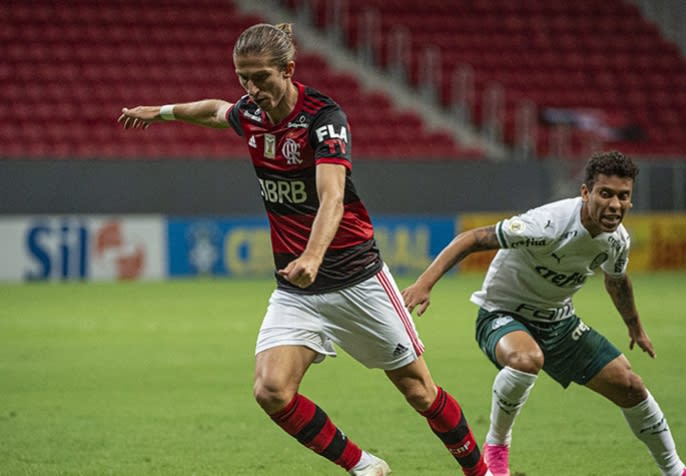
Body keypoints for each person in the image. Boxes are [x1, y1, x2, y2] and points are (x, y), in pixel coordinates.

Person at [118, 23, 489, 476]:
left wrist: (313, 256)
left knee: (420, 393)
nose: (250, 90)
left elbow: (332, 196)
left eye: (260, 78)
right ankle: (365, 466)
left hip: (356, 279)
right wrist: (161, 112)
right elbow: (215, 111)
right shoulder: (250, 114)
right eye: (242, 79)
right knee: (271, 390)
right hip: (296, 288)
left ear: (289, 70)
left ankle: (480, 472)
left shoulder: (323, 118)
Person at [402, 151, 686, 476]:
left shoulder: (617, 241)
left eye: (623, 196)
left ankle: (676, 471)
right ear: (586, 192)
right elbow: (472, 238)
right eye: (606, 194)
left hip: (560, 322)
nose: (615, 205)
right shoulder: (546, 225)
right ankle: (497, 448)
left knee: (631, 386)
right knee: (525, 360)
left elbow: (616, 281)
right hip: (503, 313)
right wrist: (425, 283)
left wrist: (635, 328)